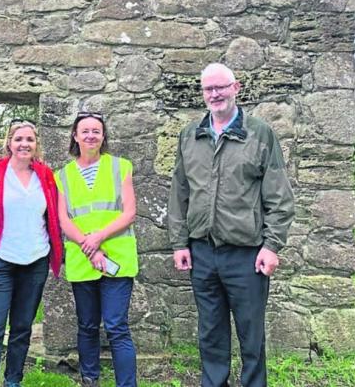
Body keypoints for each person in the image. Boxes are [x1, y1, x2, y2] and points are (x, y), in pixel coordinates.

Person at [168, 63, 295, 387]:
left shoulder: (260, 134)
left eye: (221, 87)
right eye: (208, 89)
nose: (215, 94)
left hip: (246, 254)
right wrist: (180, 243)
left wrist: (271, 246)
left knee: (251, 335)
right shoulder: (190, 136)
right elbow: (180, 192)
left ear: (236, 88)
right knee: (210, 332)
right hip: (202, 252)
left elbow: (279, 196)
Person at [0, 120, 64, 387]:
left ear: (36, 144)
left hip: (35, 261)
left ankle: (13, 380)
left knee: (22, 328)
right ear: (9, 143)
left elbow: (54, 216)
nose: (24, 144)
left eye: (29, 139)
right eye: (18, 139)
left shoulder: (45, 175)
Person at [55, 111, 138, 387]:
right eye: (85, 131)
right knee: (87, 325)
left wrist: (98, 238)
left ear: (103, 137)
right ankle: (90, 379)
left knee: (116, 326)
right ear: (75, 136)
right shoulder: (62, 176)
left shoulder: (121, 166)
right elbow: (64, 219)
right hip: (83, 260)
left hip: (117, 258)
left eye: (96, 131)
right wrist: (88, 246)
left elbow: (129, 213)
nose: (91, 136)